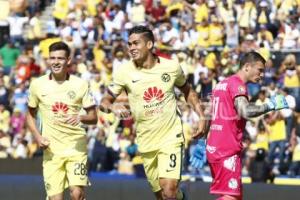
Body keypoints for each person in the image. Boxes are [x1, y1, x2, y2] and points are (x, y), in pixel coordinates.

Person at [99, 25, 207, 200]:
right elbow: (104, 102)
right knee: (161, 195)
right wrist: (112, 107)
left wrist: (201, 116)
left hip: (171, 137)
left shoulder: (171, 66)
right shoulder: (124, 72)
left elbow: (188, 91)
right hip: (146, 141)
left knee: (169, 189)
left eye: (136, 43)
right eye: (129, 44)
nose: (131, 48)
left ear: (149, 44)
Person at [190, 52, 289, 200]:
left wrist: (202, 142)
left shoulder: (221, 83)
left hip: (215, 149)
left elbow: (209, 114)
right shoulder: (237, 85)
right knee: (231, 197)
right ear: (247, 67)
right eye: (260, 70)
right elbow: (245, 111)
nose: (262, 75)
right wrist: (270, 105)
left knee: (235, 195)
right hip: (227, 150)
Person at [26, 41, 98, 200]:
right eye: (52, 58)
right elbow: (29, 115)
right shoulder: (37, 85)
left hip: (76, 148)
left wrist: (80, 117)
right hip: (52, 151)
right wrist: (38, 137)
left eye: (60, 58)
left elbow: (94, 117)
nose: (56, 62)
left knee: (77, 194)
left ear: (68, 60)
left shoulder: (80, 84)